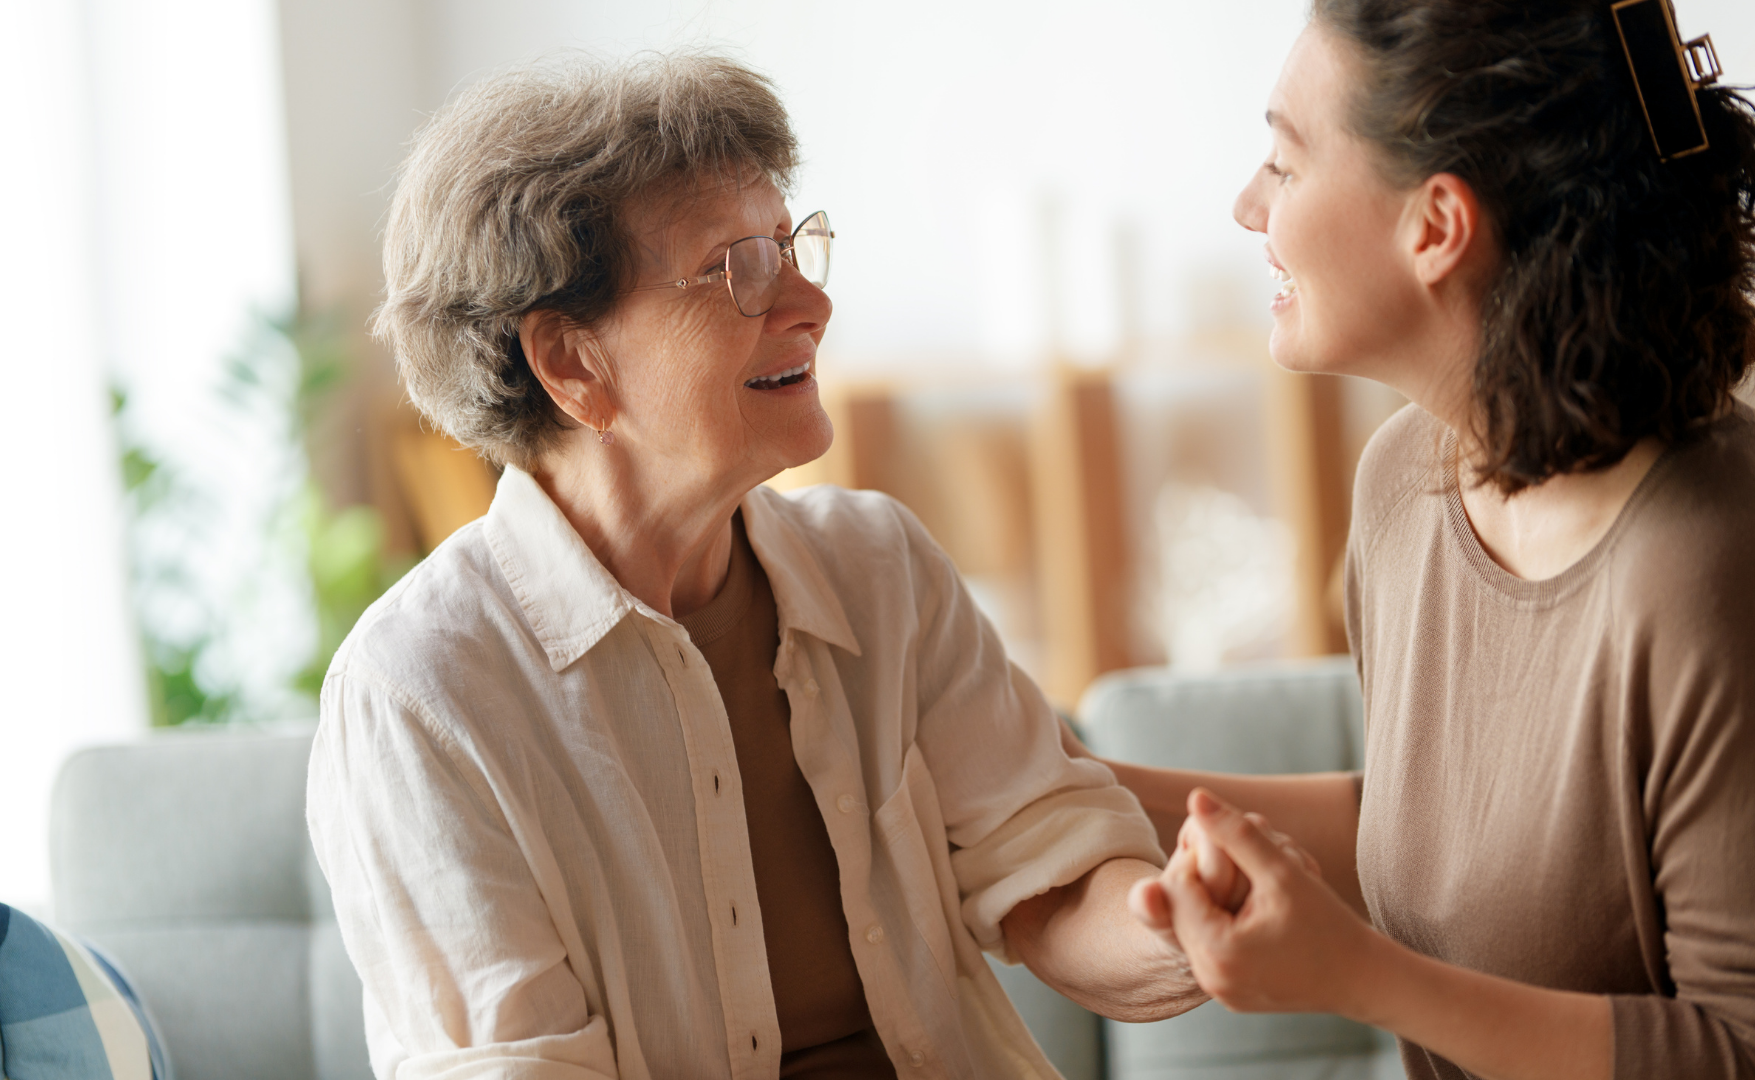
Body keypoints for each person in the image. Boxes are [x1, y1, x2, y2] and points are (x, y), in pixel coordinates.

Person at [306, 54, 1203, 1080]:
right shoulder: (418, 692)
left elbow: (1051, 879)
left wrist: (1184, 931)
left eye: (790, 244)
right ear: (569, 362)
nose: (810, 303)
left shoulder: (881, 568)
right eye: (738, 266)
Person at [1099, 3, 1755, 1078]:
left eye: (1284, 166)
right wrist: (1066, 777)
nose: (1248, 205)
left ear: (1437, 226)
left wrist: (1355, 975)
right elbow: (1450, 835)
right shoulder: (1405, 482)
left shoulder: (1719, 557)